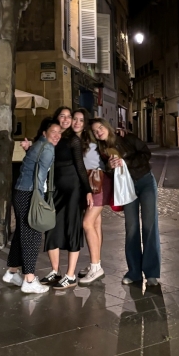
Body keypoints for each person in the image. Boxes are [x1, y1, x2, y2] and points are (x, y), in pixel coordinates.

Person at [91, 118, 161, 286]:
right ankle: (134, 272)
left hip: (144, 182)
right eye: (95, 131)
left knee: (150, 226)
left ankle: (151, 272)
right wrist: (110, 166)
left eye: (100, 127)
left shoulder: (127, 138)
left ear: (107, 126)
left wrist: (125, 162)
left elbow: (146, 154)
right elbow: (107, 172)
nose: (99, 131)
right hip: (126, 187)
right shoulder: (101, 149)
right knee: (131, 228)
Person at [3, 117, 62, 294]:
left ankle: (12, 272)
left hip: (20, 191)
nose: (57, 135)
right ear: (45, 132)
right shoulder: (48, 148)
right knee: (32, 236)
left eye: (60, 133)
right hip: (30, 193)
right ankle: (29, 279)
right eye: (54, 132)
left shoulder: (38, 145)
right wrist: (40, 198)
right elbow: (40, 176)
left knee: (21, 234)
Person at [42, 106, 93, 290]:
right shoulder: (51, 137)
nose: (65, 119)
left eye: (68, 117)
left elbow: (80, 167)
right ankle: (55, 272)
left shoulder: (73, 140)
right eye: (62, 116)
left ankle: (70, 275)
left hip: (73, 189)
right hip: (54, 190)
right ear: (56, 118)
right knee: (51, 228)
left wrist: (87, 190)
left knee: (72, 228)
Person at [72, 108, 111, 285]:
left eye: (81, 120)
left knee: (87, 223)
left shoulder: (91, 139)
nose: (77, 122)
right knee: (95, 223)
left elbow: (108, 141)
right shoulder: (75, 139)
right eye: (75, 119)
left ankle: (96, 267)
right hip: (89, 183)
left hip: (97, 182)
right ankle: (96, 263)